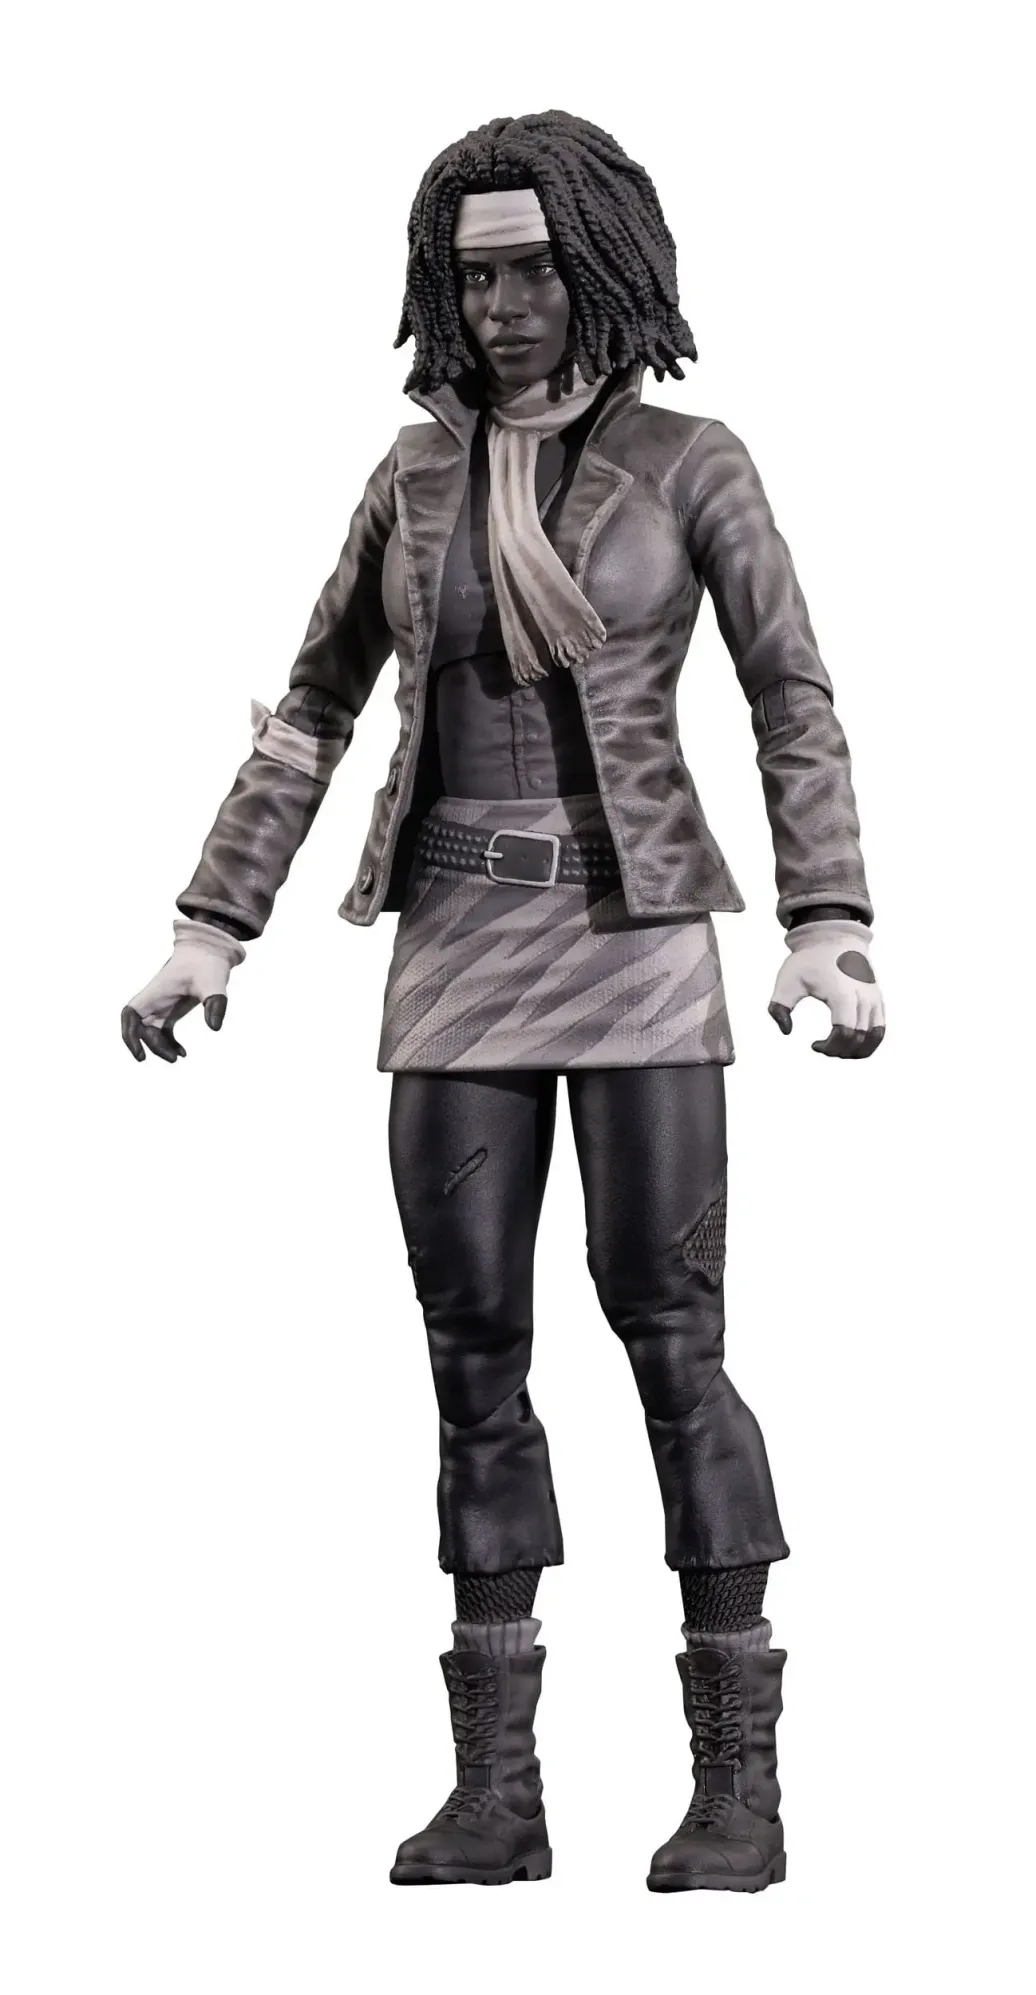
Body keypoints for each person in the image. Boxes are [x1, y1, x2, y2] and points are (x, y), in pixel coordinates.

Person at [122, 110, 885, 1893]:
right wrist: (210, 925)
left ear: (605, 268)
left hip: (640, 944)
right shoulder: (412, 481)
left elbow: (789, 692)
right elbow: (316, 708)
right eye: (475, 279)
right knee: (470, 1351)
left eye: (538, 269)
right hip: (457, 945)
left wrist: (831, 916)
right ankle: (498, 1791)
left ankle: (741, 1788)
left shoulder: (693, 463)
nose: (505, 307)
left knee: (672, 1336)